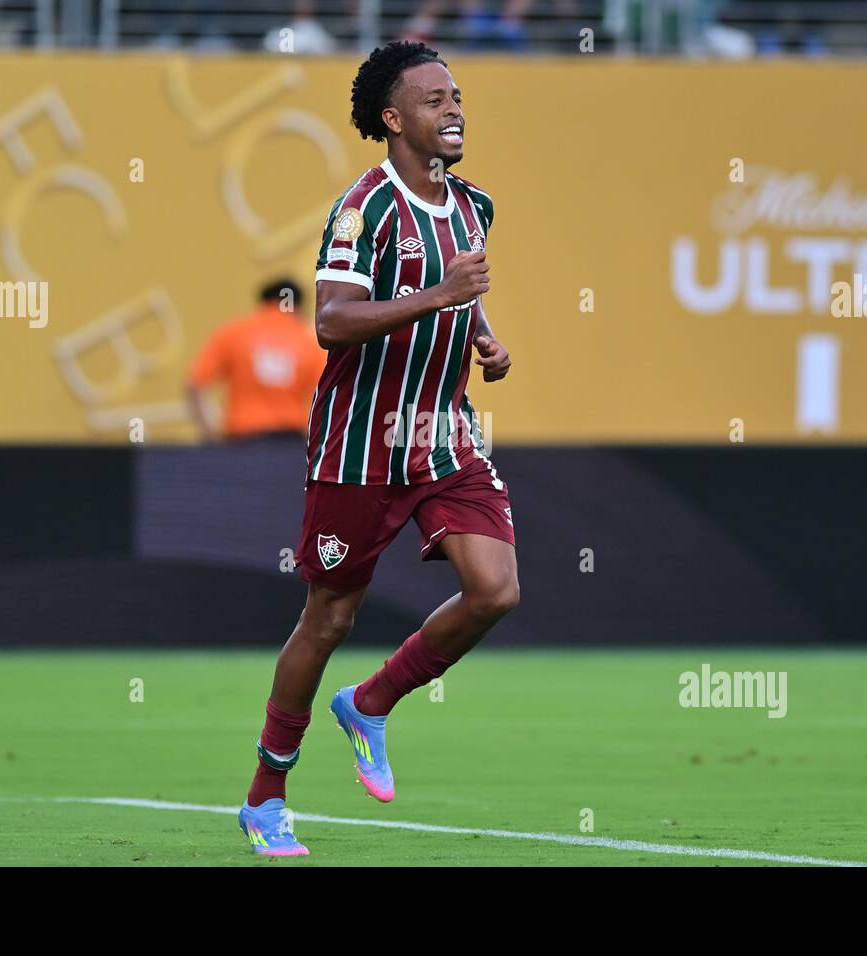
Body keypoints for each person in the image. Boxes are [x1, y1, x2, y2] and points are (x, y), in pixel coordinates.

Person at [237, 41, 518, 856]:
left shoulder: (474, 206)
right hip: (361, 443)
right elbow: (330, 321)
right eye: (434, 100)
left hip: (440, 431)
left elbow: (458, 298)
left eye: (457, 95)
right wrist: (440, 297)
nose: (454, 108)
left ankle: (372, 702)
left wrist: (488, 341)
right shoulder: (364, 208)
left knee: (496, 589)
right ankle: (267, 796)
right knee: (329, 615)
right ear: (394, 119)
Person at [185, 278, 322, 443]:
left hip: (241, 440)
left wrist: (210, 433)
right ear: (298, 307)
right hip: (290, 443)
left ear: (263, 302)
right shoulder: (309, 341)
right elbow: (327, 398)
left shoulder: (234, 332)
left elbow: (195, 385)